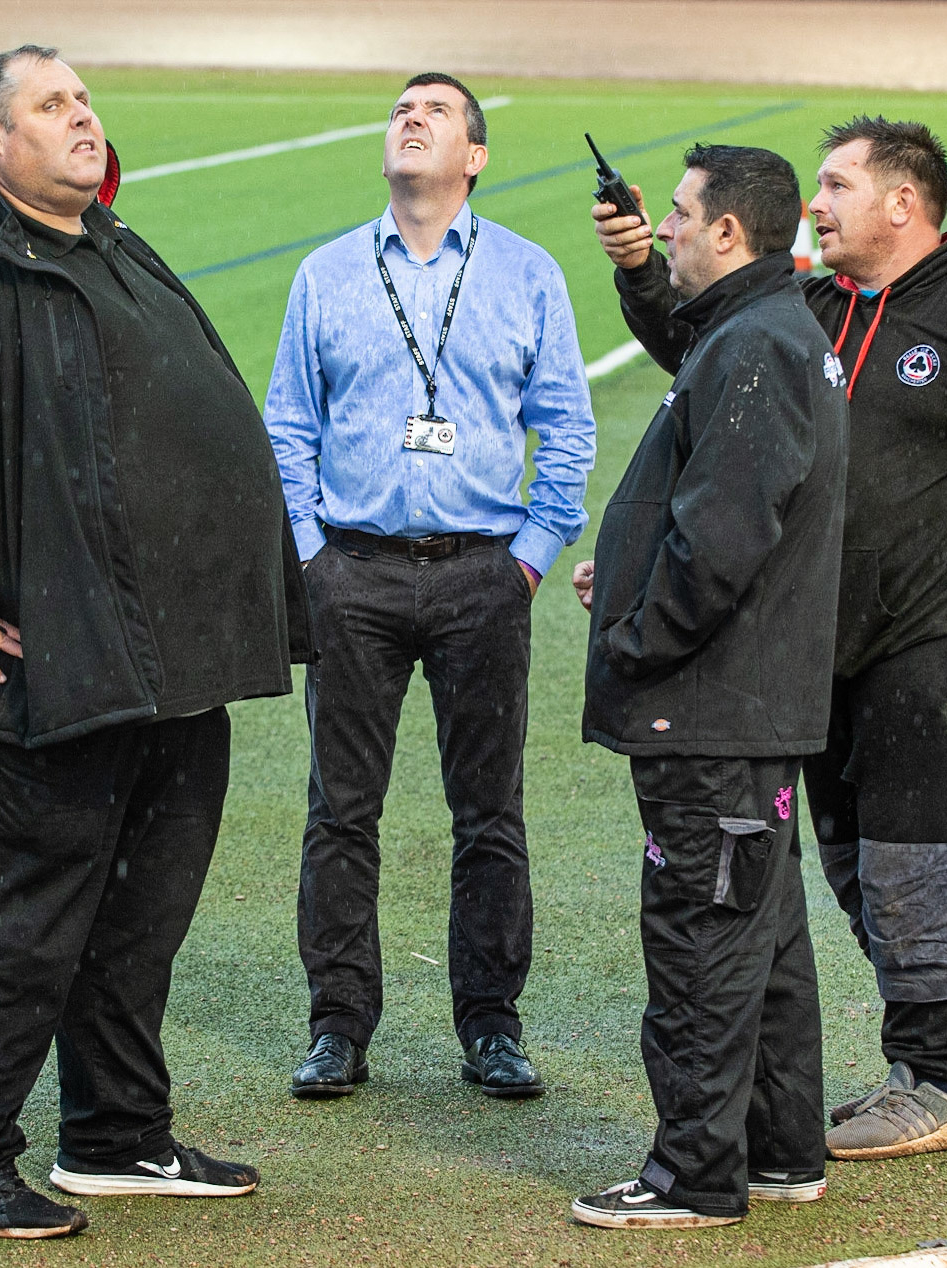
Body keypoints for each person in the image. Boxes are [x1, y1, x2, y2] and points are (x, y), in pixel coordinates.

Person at [0, 45, 313, 1239]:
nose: (82, 120)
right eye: (51, 104)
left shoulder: (107, 240)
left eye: (85, 101)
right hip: (43, 669)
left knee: (139, 914)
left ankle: (114, 1134)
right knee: (13, 917)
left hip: (169, 663)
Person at [594, 115, 947, 1162]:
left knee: (912, 863)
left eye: (834, 186)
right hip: (819, 636)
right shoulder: (811, 307)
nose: (816, 206)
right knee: (849, 862)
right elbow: (708, 357)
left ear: (901, 203)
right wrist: (646, 272)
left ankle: (927, 1076)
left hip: (934, 634)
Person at [264, 73, 595, 1100]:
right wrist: (314, 556)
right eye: (403, 109)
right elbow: (287, 427)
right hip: (352, 574)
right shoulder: (327, 272)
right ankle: (337, 1025)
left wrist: (530, 555)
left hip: (479, 575)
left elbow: (567, 427)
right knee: (340, 810)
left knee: (487, 812)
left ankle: (491, 1021)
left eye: (438, 111)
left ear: (476, 156)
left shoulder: (527, 273)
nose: (412, 118)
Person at [568, 143, 847, 1229]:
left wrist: (635, 634)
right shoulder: (770, 330)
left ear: (727, 233)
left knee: (700, 938)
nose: (665, 229)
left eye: (680, 216)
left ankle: (692, 1174)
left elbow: (723, 537)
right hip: (751, 702)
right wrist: (635, 573)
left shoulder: (752, 348)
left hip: (712, 705)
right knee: (763, 934)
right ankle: (779, 1152)